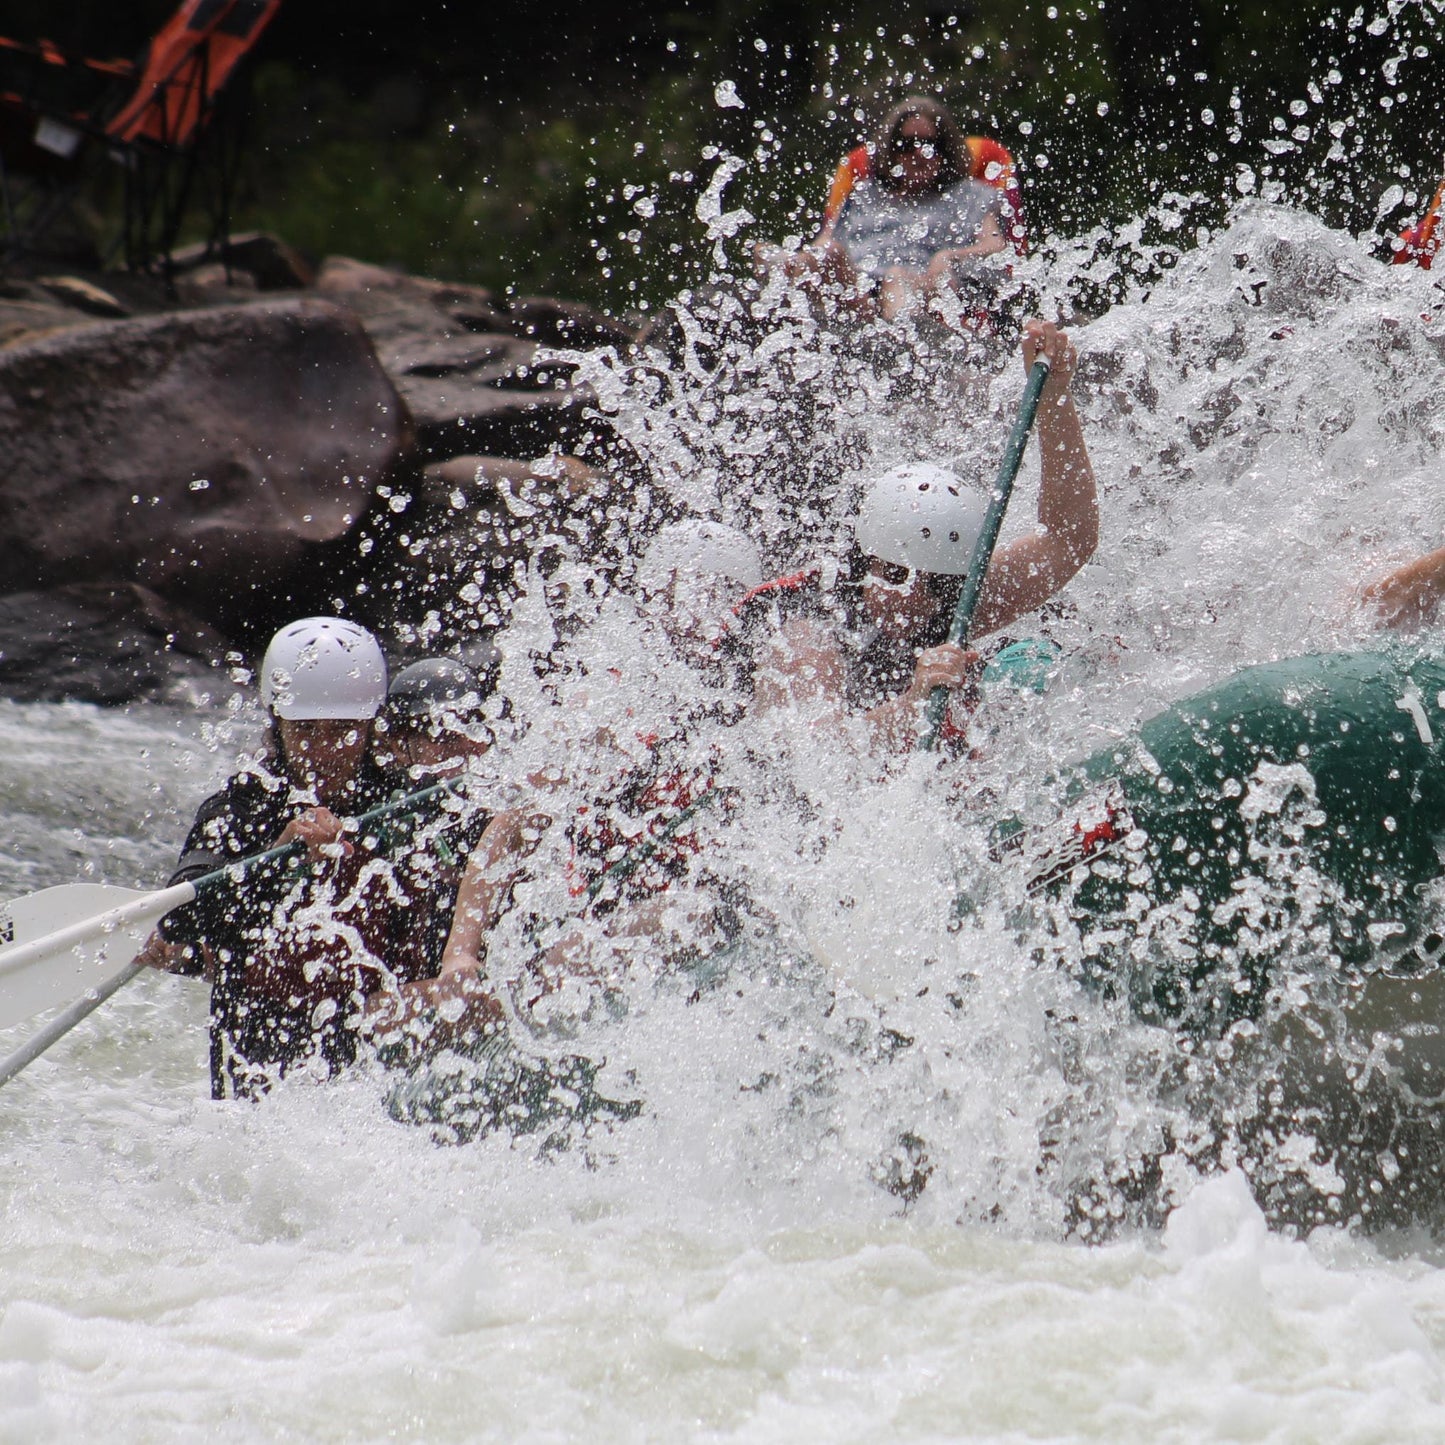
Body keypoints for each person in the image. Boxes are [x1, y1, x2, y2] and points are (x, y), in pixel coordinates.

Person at [724, 319, 1097, 751]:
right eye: (898, 577)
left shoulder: (948, 589)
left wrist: (1054, 401)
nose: (918, 599)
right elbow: (811, 755)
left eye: (937, 583)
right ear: (868, 563)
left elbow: (1068, 541)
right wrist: (914, 703)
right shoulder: (807, 630)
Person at [142, 617, 434, 1100]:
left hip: (384, 1041)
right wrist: (281, 855)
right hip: (263, 1044)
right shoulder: (239, 807)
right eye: (305, 731)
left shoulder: (409, 802)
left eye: (342, 730)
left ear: (370, 725)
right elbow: (181, 919)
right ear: (277, 723)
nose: (323, 749)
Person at [761, 97, 1015, 324]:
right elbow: (825, 241)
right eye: (906, 145)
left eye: (929, 144)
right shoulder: (863, 194)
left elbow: (995, 246)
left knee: (896, 279)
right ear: (891, 152)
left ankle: (895, 343)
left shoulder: (971, 195)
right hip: (858, 292)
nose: (918, 153)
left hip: (921, 285)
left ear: (946, 149)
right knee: (823, 253)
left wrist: (949, 256)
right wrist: (805, 260)